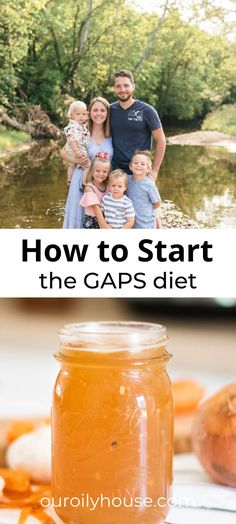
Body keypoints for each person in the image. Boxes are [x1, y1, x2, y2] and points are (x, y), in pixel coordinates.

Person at [62, 97, 113, 228]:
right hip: (81, 181)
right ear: (89, 112)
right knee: (78, 217)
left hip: (103, 183)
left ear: (107, 113)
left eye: (102, 110)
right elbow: (63, 152)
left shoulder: (112, 133)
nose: (99, 113)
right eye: (95, 110)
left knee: (100, 221)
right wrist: (76, 160)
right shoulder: (81, 130)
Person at [110, 69, 166, 180]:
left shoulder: (147, 110)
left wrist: (154, 170)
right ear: (114, 88)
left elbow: (161, 140)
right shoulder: (109, 110)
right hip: (115, 174)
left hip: (140, 173)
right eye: (118, 86)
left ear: (133, 87)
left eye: (126, 85)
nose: (122, 89)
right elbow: (90, 130)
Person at [127, 150, 161, 229]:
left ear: (148, 169)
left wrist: (158, 224)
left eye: (142, 164)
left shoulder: (149, 184)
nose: (139, 165)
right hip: (133, 224)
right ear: (130, 166)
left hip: (147, 224)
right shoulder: (126, 180)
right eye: (136, 163)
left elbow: (157, 203)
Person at [80, 153, 111, 229]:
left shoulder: (108, 186)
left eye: (105, 171)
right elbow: (96, 208)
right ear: (92, 171)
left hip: (105, 218)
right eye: (97, 171)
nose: (101, 174)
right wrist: (104, 226)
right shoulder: (89, 188)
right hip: (93, 221)